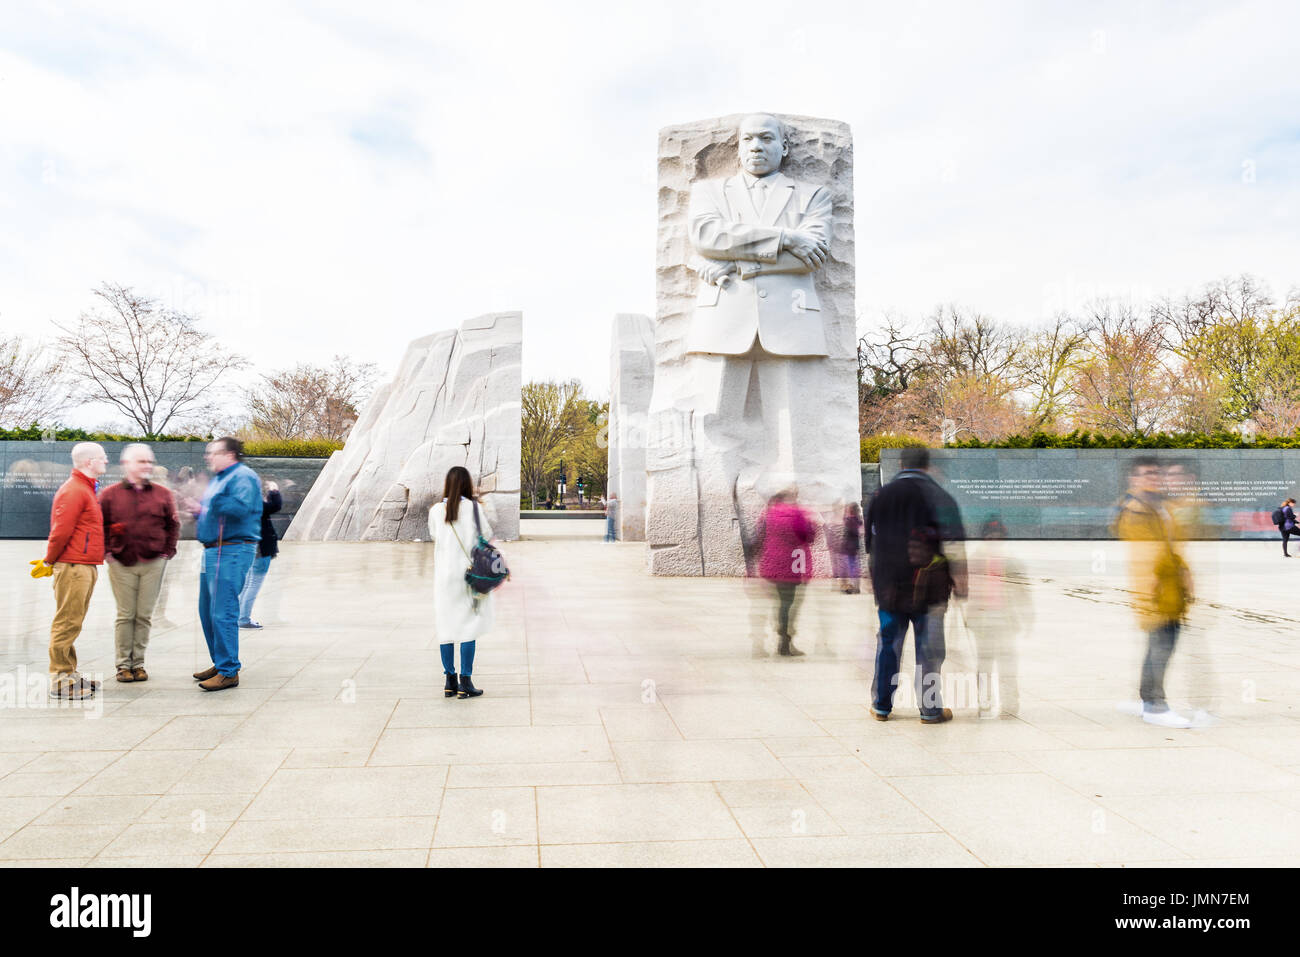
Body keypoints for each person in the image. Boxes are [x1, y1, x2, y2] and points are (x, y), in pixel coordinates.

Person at [864, 445, 965, 723]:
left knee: (888, 644)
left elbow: (870, 544)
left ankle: (882, 706)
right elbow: (954, 545)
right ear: (927, 465)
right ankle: (930, 710)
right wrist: (961, 583)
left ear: (900, 464)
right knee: (929, 650)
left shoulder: (880, 496)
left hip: (888, 588)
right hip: (929, 590)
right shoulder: (940, 496)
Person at [1115, 456, 1194, 728]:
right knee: (1163, 643)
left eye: (1156, 473)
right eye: (1147, 474)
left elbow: (1172, 545)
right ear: (1133, 479)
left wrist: (1184, 573)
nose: (1154, 478)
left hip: (1170, 585)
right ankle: (1155, 705)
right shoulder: (1136, 511)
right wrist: (1152, 592)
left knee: (1159, 643)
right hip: (1157, 589)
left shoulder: (1159, 506)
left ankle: (1145, 699)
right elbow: (1147, 555)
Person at [98, 443, 179, 683]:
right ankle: (123, 665)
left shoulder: (163, 494)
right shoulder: (110, 494)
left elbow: (172, 525)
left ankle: (138, 664)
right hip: (121, 562)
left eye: (149, 462)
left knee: (144, 615)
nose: (147, 466)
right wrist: (107, 553)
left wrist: (167, 552)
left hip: (153, 562)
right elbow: (99, 525)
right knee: (126, 614)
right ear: (126, 465)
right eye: (141, 461)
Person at [187, 437, 262, 692]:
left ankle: (229, 670)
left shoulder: (243, 476)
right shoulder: (221, 478)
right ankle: (220, 663)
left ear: (230, 454)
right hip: (214, 551)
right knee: (207, 611)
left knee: (223, 611)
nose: (208, 457)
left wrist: (211, 501)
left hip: (232, 550)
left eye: (213, 453)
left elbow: (241, 509)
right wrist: (200, 509)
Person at [36, 442, 109, 699]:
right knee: (66, 622)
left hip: (83, 564)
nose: (106, 461)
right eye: (102, 458)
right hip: (73, 565)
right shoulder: (75, 490)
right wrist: (49, 560)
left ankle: (69, 673)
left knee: (73, 621)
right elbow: (61, 530)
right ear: (89, 462)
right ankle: (60, 680)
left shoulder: (85, 488)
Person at [430, 465, 494, 699]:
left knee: (445, 627)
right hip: (469, 575)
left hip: (444, 577)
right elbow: (485, 536)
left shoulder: (437, 510)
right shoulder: (474, 509)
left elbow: (435, 535)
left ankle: (450, 680)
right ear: (467, 484)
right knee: (469, 627)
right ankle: (466, 681)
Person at [965, 518, 1029, 719]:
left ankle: (1010, 704)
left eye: (999, 537)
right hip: (982, 620)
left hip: (1006, 619)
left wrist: (1028, 616)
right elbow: (965, 590)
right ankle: (984, 702)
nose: (994, 541)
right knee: (984, 664)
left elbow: (1023, 592)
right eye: (990, 537)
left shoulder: (1012, 561)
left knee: (1008, 664)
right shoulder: (974, 560)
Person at [757, 489, 816, 657]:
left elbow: (760, 536)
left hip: (773, 565)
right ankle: (785, 641)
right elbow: (809, 536)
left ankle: (780, 636)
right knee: (789, 604)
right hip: (793, 566)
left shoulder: (768, 514)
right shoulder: (798, 514)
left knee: (781, 604)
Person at [238, 481, 283, 629]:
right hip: (260, 548)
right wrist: (274, 490)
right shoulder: (255, 504)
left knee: (247, 583)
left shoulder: (241, 503)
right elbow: (275, 506)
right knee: (254, 584)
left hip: (249, 547)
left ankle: (238, 616)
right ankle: (243, 619)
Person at [837, 502, 864, 593]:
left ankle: (853, 587)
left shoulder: (849, 520)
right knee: (853, 566)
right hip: (854, 546)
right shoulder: (857, 520)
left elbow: (847, 532)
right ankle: (855, 586)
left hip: (848, 547)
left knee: (850, 567)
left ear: (850, 510)